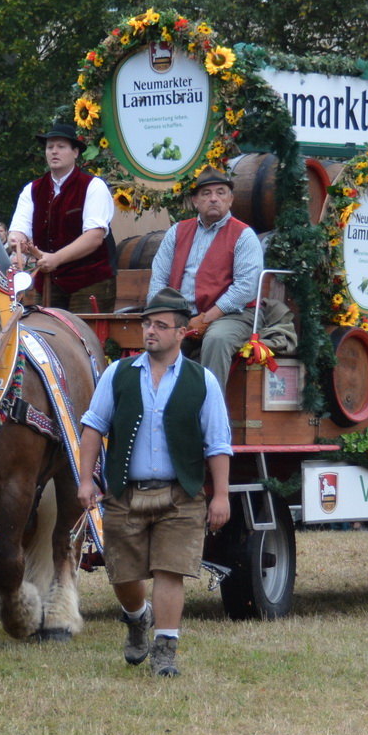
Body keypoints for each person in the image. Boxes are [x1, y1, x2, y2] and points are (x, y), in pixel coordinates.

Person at [75, 289, 231, 678]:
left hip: (182, 494)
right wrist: (85, 480)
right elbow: (93, 427)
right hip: (126, 492)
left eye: (161, 325)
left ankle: (166, 651)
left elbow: (218, 443)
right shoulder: (118, 374)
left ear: (181, 333)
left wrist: (221, 496)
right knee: (124, 576)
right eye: (147, 323)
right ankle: (135, 617)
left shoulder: (203, 381)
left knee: (169, 570)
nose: (150, 331)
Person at [146, 165, 264, 387]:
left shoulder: (244, 235)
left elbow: (246, 288)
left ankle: (210, 413)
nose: (213, 199)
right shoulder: (177, 231)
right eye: (206, 193)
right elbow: (159, 279)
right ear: (195, 201)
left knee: (216, 339)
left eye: (220, 193)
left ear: (230, 199)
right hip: (182, 313)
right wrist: (160, 317)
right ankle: (159, 406)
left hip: (233, 314)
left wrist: (206, 318)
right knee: (159, 339)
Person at [7, 120, 115, 309]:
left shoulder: (93, 186)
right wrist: (16, 240)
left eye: (61, 146)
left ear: (75, 152)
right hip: (48, 281)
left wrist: (55, 258)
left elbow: (94, 237)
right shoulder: (32, 189)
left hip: (88, 282)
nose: (54, 151)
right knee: (46, 335)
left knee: (85, 337)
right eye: (50, 147)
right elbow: (18, 229)